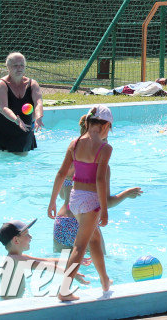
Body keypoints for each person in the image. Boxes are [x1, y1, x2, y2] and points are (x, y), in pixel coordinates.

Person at [47, 105, 115, 301]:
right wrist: (103, 210)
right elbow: (100, 180)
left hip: (75, 200)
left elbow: (61, 174)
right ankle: (65, 290)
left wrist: (52, 202)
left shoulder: (74, 143)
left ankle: (104, 280)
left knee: (93, 239)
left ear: (87, 123)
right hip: (90, 202)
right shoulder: (105, 148)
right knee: (80, 246)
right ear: (106, 126)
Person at [0, 219, 89, 300]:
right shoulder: (14, 260)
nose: (30, 237)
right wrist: (71, 273)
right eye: (26, 235)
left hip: (13, 303)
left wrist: (74, 260)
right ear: (16, 240)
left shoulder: (19, 257)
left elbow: (46, 261)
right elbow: (45, 266)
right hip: (8, 307)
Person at [0, 52, 44, 154]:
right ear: (8, 67)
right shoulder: (1, 84)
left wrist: (39, 117)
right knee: (4, 160)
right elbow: (3, 108)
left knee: (23, 160)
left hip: (24, 128)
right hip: (3, 129)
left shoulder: (32, 84)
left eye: (22, 65)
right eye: (15, 65)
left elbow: (38, 102)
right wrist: (16, 120)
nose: (19, 68)